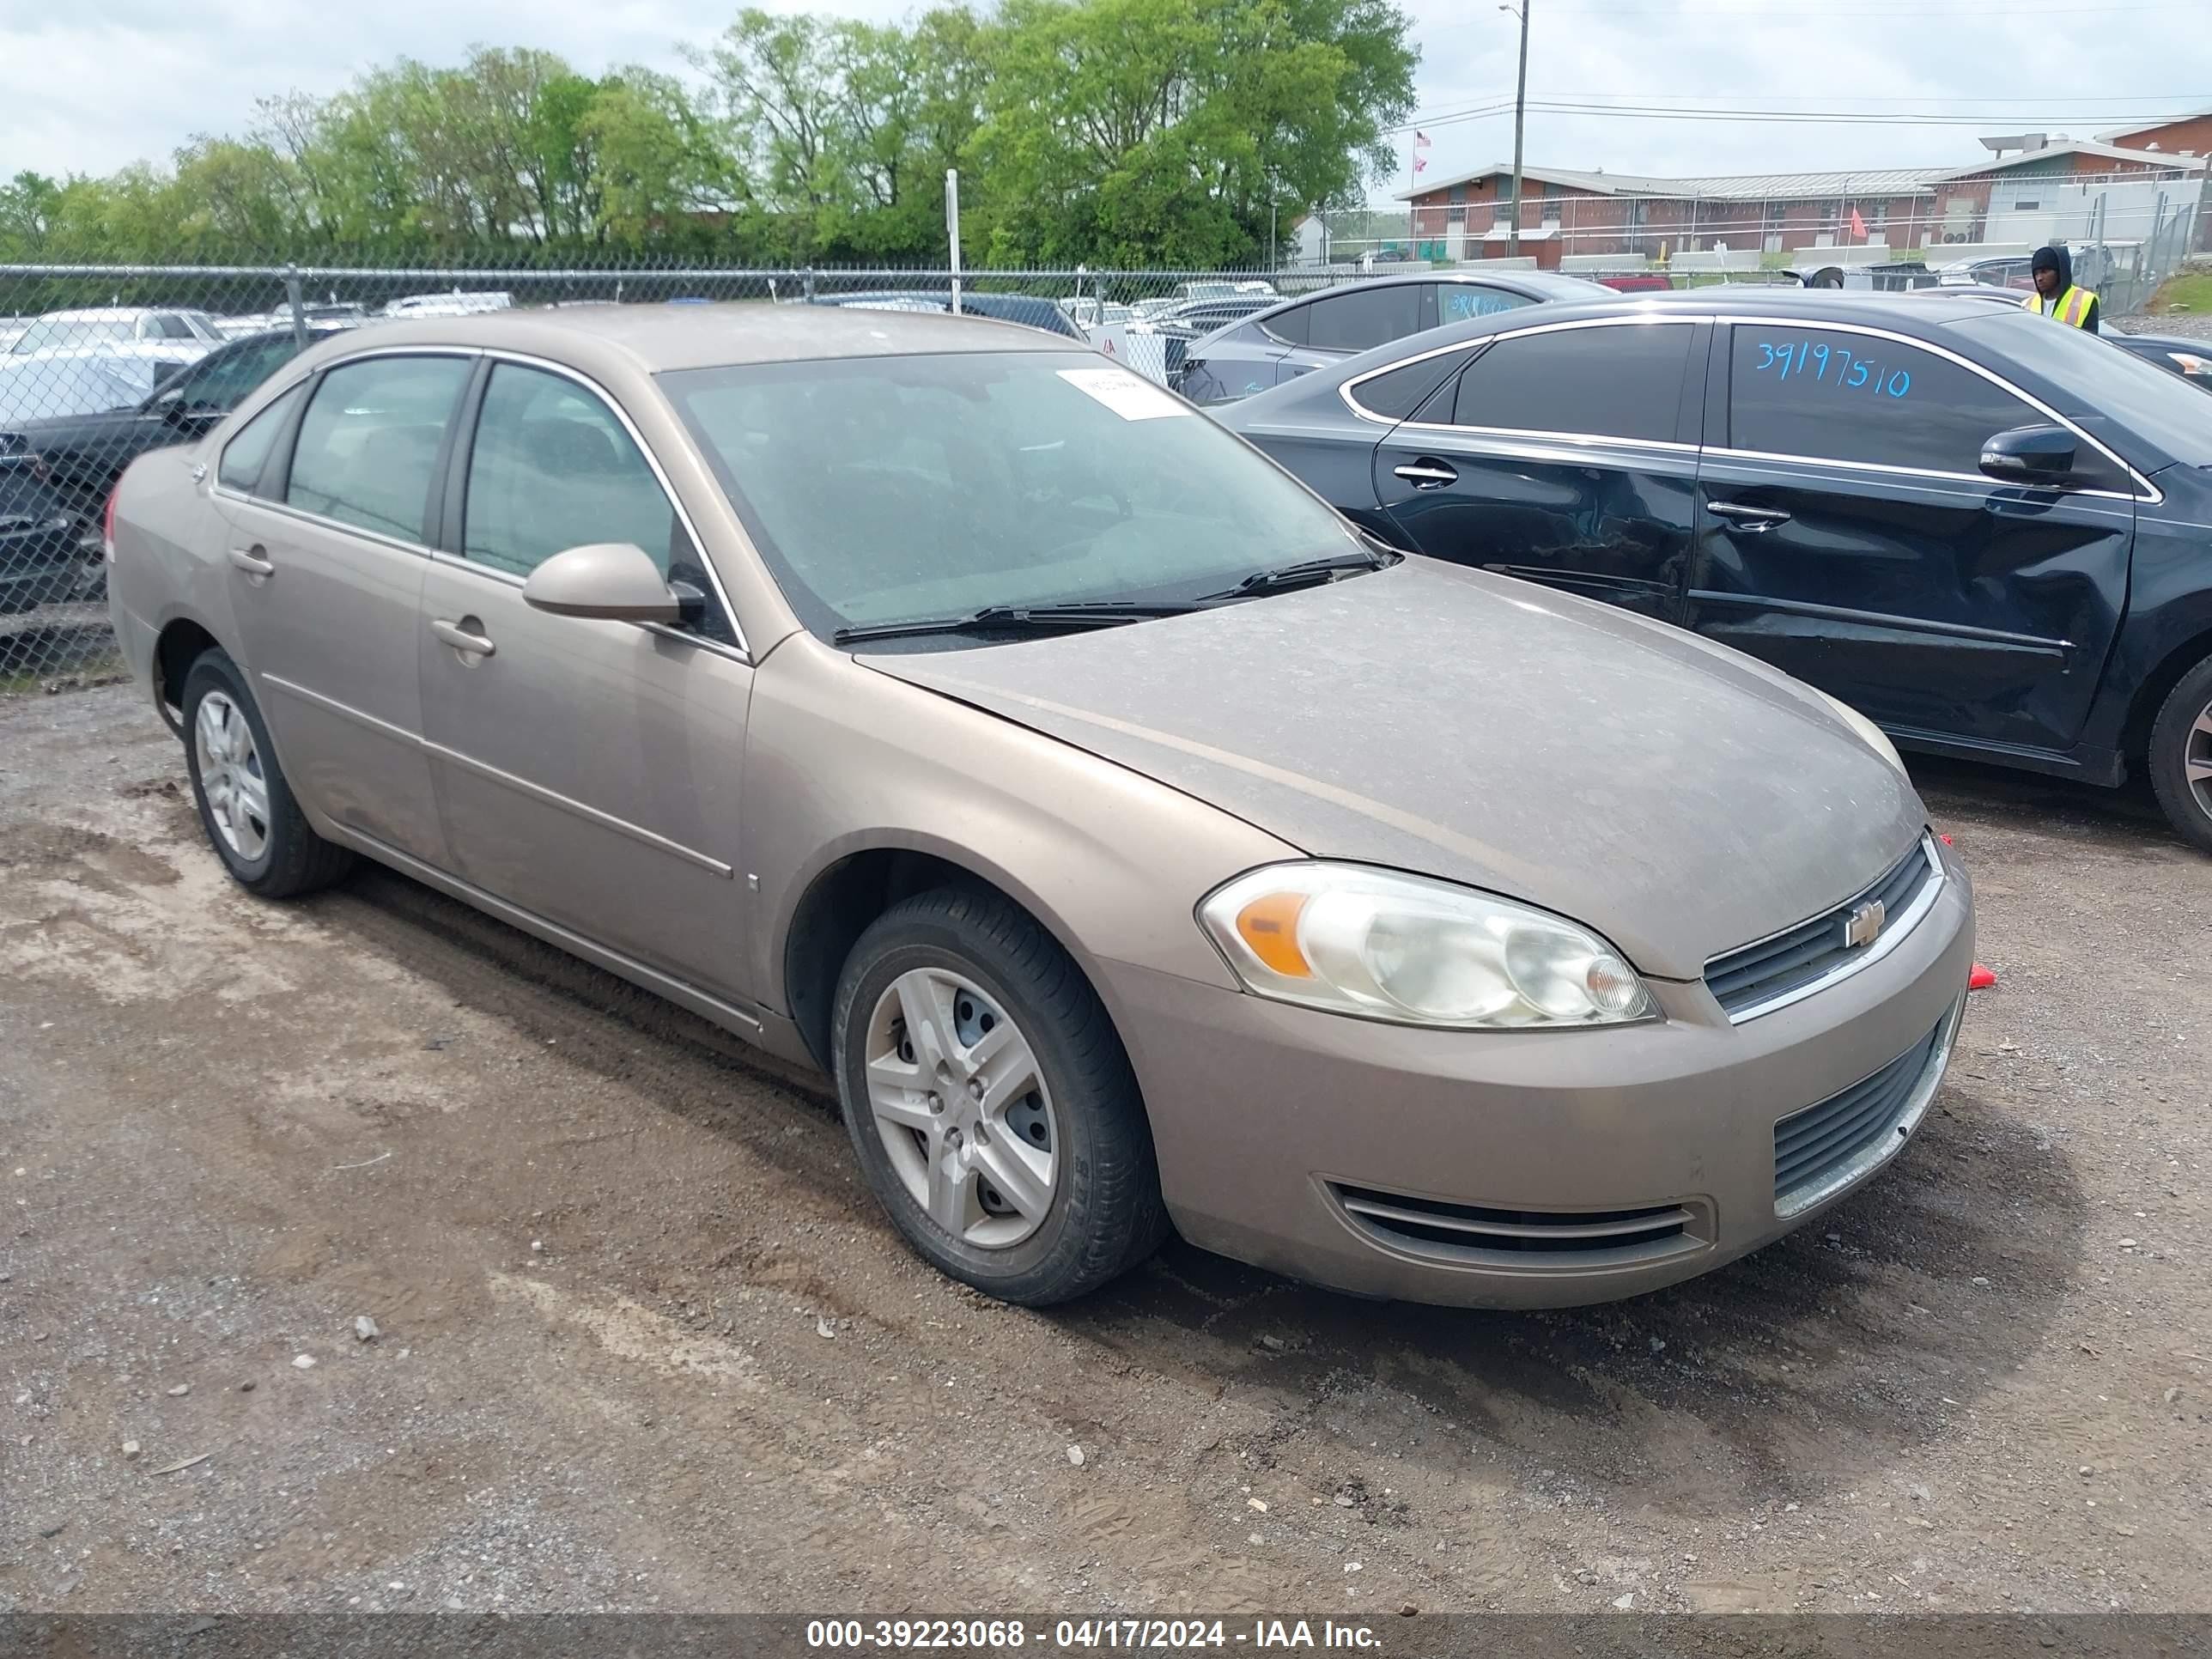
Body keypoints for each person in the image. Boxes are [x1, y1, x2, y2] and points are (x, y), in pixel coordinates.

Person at [2021, 245, 2100, 332]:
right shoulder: (2028, 304)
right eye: (2036, 273)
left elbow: (2091, 342)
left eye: (2044, 272)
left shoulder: (2085, 300)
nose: (2039, 278)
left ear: (2060, 271)